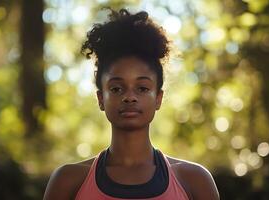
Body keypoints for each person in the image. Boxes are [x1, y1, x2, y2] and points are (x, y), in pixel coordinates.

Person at [43, 8, 219, 200]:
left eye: (142, 88)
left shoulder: (194, 181)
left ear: (158, 98)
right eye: (117, 89)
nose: (130, 97)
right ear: (101, 99)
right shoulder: (68, 182)